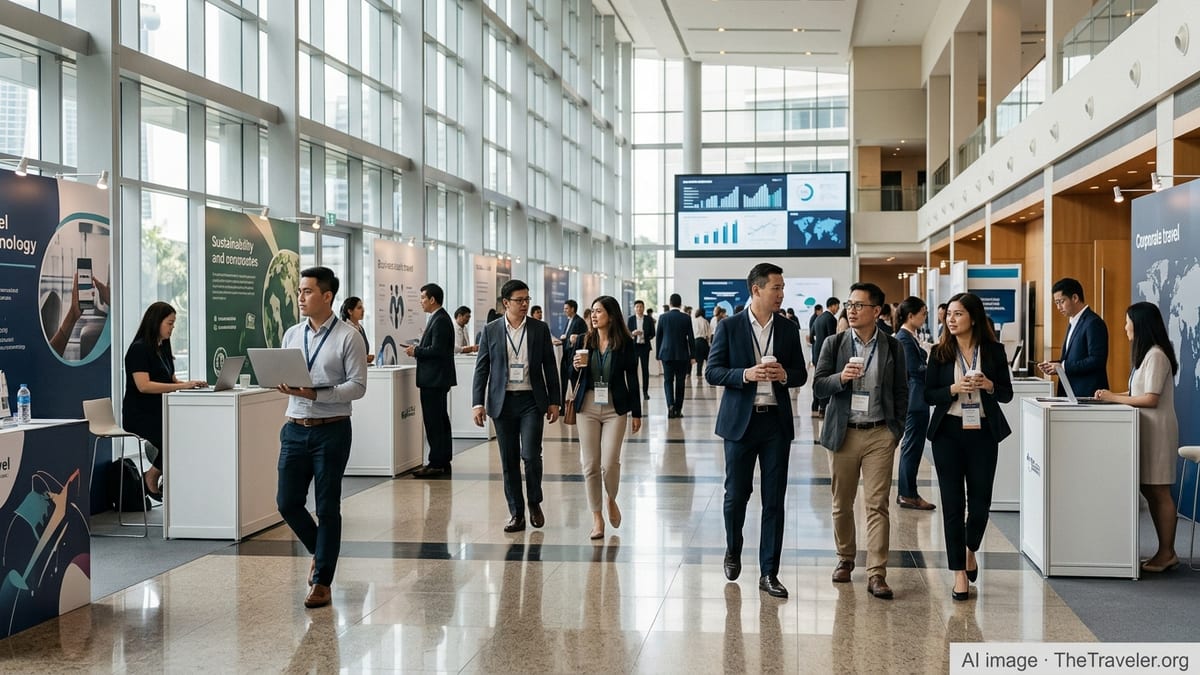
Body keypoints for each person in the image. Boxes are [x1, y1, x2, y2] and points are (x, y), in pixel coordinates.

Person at [707, 263, 807, 599]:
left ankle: (769, 572)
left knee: (774, 499)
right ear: (756, 290)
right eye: (776, 287)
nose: (781, 294)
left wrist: (783, 376)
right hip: (740, 423)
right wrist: (745, 375)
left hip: (775, 424)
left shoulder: (789, 329)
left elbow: (800, 374)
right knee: (736, 495)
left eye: (782, 287)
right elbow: (713, 371)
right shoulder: (730, 327)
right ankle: (733, 548)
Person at [274, 266, 368, 608]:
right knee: (287, 503)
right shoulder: (291, 334)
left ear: (327, 296)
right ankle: (322, 549)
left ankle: (321, 582)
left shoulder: (348, 337)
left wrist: (316, 395)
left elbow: (357, 387)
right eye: (299, 291)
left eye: (308, 291)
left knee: (327, 507)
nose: (300, 297)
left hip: (332, 431)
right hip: (294, 429)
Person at [813, 282, 907, 600]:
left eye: (859, 305)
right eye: (849, 305)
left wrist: (897, 431)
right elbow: (819, 386)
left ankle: (877, 573)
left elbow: (901, 392)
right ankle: (845, 558)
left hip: (880, 433)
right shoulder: (833, 343)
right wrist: (842, 378)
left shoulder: (893, 347)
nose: (851, 310)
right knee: (842, 504)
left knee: (877, 505)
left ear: (876, 311)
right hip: (844, 432)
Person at [925, 292, 1013, 601]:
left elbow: (1006, 394)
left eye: (958, 314)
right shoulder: (939, 352)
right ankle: (958, 573)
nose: (950, 319)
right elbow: (927, 395)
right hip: (948, 432)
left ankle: (970, 548)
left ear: (973, 318)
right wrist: (952, 388)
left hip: (983, 432)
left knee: (979, 504)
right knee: (952, 504)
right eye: (948, 314)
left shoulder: (993, 351)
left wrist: (988, 385)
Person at [1094, 302, 1180, 573]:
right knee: (1150, 488)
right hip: (1147, 430)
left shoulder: (1156, 355)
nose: (1125, 327)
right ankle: (1164, 550)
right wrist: (1113, 397)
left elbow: (1150, 399)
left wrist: (1114, 398)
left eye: (1128, 321)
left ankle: (1167, 552)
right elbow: (1138, 392)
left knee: (1159, 490)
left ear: (1140, 324)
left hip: (1158, 431)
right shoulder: (1146, 356)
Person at [472, 279, 561, 533]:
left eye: (527, 300)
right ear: (505, 303)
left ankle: (534, 501)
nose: (524, 304)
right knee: (508, 460)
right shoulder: (490, 330)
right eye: (519, 300)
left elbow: (549, 367)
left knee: (531, 455)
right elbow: (482, 369)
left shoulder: (539, 329)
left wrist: (554, 401)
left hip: (532, 401)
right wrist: (477, 403)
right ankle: (516, 513)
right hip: (503, 403)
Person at [568, 296, 642, 540]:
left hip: (614, 406)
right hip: (587, 406)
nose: (594, 316)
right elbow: (569, 372)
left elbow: (633, 377)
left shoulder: (624, 343)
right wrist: (576, 366)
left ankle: (611, 498)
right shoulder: (583, 340)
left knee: (609, 463)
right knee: (589, 465)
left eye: (599, 311)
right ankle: (597, 517)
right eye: (593, 312)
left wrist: (637, 412)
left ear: (611, 315)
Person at [122, 302, 207, 500]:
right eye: (169, 323)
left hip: (160, 412)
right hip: (140, 415)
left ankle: (169, 481)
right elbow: (144, 385)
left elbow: (171, 380)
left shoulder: (163, 348)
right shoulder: (139, 349)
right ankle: (151, 476)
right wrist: (181, 386)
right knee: (175, 439)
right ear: (156, 322)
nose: (172, 328)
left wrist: (190, 384)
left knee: (187, 435)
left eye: (174, 324)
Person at [407, 284, 457, 478]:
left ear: (432, 299)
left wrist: (416, 351)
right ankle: (442, 458)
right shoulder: (438, 318)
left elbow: (438, 350)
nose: (420, 302)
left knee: (434, 421)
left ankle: (436, 462)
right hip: (435, 379)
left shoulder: (441, 320)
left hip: (434, 379)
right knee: (439, 420)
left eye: (422, 298)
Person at [894, 296, 935, 511]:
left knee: (913, 447)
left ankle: (908, 492)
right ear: (911, 315)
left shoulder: (910, 337)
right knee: (911, 447)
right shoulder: (904, 338)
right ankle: (908, 493)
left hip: (918, 398)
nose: (925, 317)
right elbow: (913, 370)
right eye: (923, 313)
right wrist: (933, 367)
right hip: (915, 399)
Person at [1037, 277, 1109, 397]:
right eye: (1056, 303)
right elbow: (1073, 359)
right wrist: (1054, 366)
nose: (1059, 307)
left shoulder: (1093, 322)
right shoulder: (1074, 321)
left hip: (1088, 394)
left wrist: (1063, 366)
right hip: (1072, 393)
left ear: (1075, 298)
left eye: (1061, 301)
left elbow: (1097, 360)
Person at [656, 293, 695, 419]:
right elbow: (691, 338)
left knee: (668, 381)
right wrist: (693, 355)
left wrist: (658, 354)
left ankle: (670, 407)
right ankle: (678, 409)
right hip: (682, 355)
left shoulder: (662, 317)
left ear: (670, 303)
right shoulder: (686, 318)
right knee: (680, 382)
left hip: (666, 354)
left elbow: (659, 337)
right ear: (680, 303)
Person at [810, 297, 840, 417]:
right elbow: (832, 339)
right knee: (826, 380)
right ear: (832, 305)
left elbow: (811, 336)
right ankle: (823, 408)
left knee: (818, 378)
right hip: (826, 354)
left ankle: (815, 405)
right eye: (837, 306)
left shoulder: (819, 318)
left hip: (817, 353)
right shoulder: (830, 318)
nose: (838, 309)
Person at [558, 299, 588, 399]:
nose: (564, 311)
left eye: (566, 308)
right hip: (566, 355)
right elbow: (568, 337)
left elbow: (584, 338)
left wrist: (574, 339)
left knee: (575, 382)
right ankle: (562, 408)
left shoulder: (579, 321)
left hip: (574, 357)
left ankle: (576, 404)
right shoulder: (568, 321)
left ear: (572, 309)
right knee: (563, 381)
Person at [627, 300, 656, 400]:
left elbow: (653, 333)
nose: (639, 308)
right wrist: (633, 334)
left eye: (641, 307)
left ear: (643, 308)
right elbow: (627, 333)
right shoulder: (630, 319)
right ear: (634, 308)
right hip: (634, 347)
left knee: (645, 370)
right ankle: (633, 392)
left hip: (644, 347)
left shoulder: (648, 319)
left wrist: (644, 334)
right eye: (637, 307)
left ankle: (645, 392)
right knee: (633, 370)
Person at [339, 296, 375, 365]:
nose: (363, 310)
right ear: (350, 311)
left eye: (362, 307)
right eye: (359, 308)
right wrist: (364, 358)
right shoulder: (344, 329)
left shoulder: (360, 328)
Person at [692, 308, 712, 378]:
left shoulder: (694, 321)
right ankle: (709, 373)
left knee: (699, 360)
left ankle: (699, 373)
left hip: (696, 341)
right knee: (707, 358)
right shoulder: (705, 321)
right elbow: (709, 334)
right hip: (703, 341)